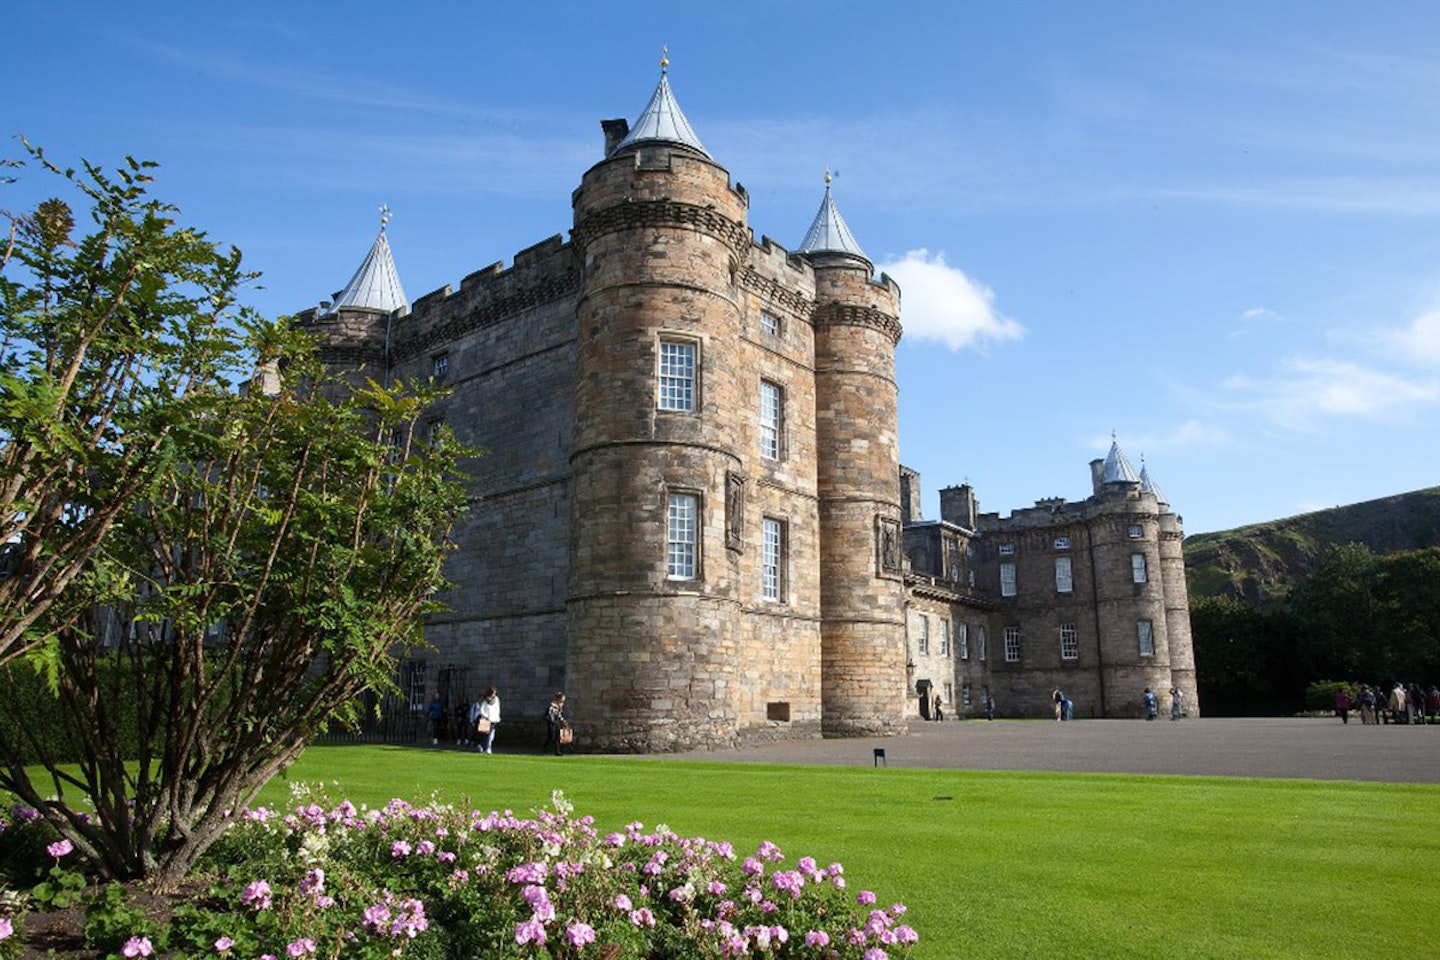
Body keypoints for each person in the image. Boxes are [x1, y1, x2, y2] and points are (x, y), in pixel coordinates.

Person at [474, 686, 501, 753]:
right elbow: (482, 708)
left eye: (495, 693)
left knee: (489, 734)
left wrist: (497, 716)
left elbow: (497, 708)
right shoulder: (484, 700)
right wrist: (484, 716)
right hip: (485, 718)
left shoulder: (496, 699)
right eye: (493, 693)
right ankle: (482, 746)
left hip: (493, 718)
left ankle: (487, 748)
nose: (494, 694)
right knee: (483, 734)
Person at [544, 692, 570, 756]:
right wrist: (551, 721)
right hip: (552, 723)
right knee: (551, 737)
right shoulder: (551, 706)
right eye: (562, 699)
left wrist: (564, 722)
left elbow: (559, 715)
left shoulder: (560, 706)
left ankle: (557, 751)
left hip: (557, 723)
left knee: (557, 737)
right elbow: (549, 715)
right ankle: (544, 749)